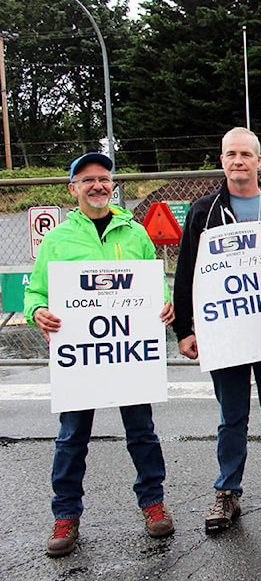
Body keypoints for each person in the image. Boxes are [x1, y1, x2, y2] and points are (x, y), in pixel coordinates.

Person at [25, 152, 176, 557]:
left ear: (113, 186)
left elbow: (154, 281)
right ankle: (65, 516)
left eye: (104, 178)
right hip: (82, 361)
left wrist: (164, 303)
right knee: (72, 437)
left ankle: (153, 503)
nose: (98, 185)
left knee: (141, 432)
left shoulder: (135, 233)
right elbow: (35, 292)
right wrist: (37, 311)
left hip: (129, 358)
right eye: (88, 179)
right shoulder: (58, 239)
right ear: (73, 188)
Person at [173, 127, 261, 533]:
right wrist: (185, 329)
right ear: (221, 160)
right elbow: (187, 274)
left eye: (246, 154)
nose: (238, 161)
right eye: (230, 154)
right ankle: (227, 492)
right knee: (231, 415)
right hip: (227, 333)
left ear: (259, 160)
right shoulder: (204, 210)